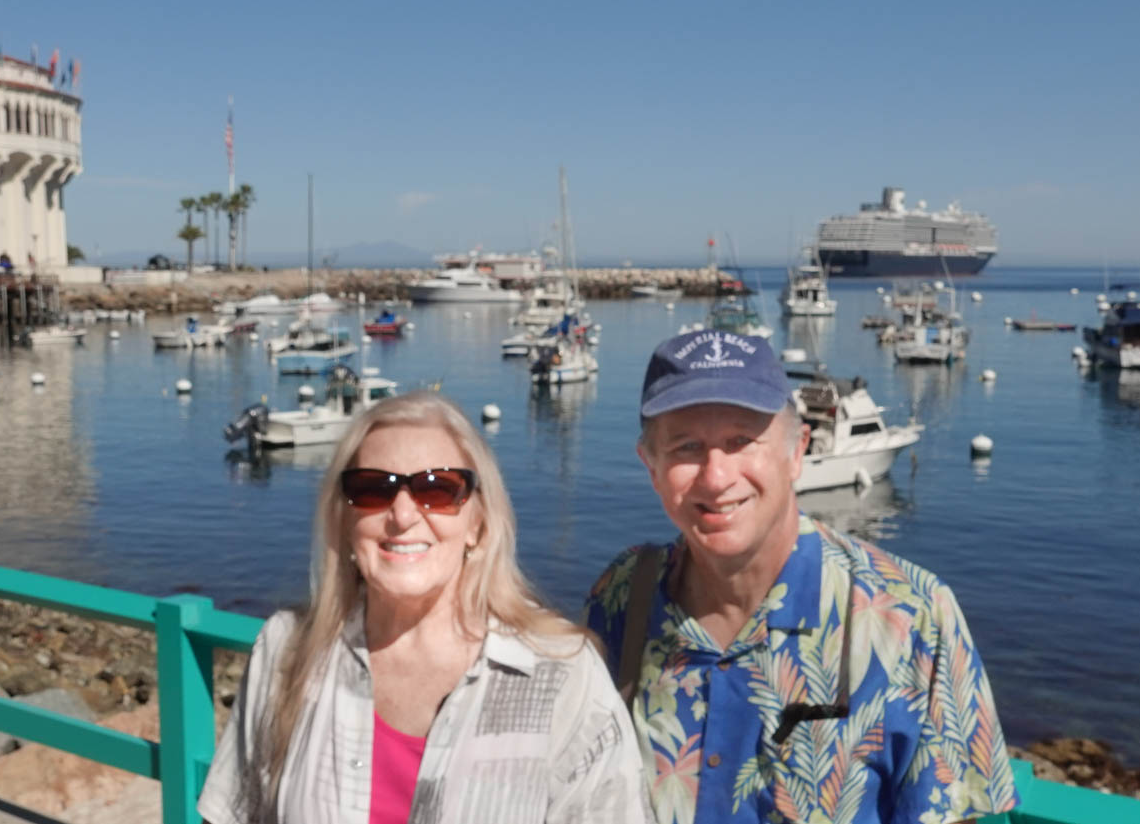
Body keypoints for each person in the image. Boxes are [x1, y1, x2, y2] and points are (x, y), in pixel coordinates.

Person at [585, 330, 1017, 824]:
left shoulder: (911, 614)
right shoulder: (622, 596)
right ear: (651, 466)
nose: (716, 476)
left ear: (797, 452)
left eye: (741, 441)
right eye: (686, 447)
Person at [201, 392, 652, 824]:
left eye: (437, 489)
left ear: (478, 522)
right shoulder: (287, 652)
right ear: (345, 520)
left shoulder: (563, 678)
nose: (402, 514)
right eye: (374, 489)